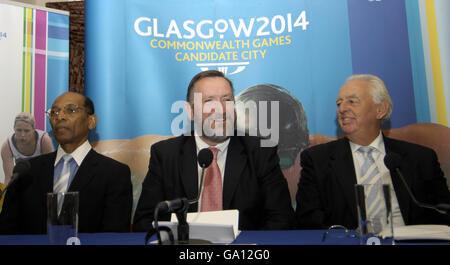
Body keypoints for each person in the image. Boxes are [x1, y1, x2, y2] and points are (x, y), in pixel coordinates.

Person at [133, 70, 295, 231]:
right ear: (190, 111)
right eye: (209, 101)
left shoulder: (260, 152)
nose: (221, 110)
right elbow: (145, 221)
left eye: (227, 100)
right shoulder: (166, 154)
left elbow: (281, 219)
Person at [295, 74, 450, 229]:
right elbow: (308, 220)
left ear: (380, 109)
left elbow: (443, 213)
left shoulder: (421, 158)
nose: (342, 109)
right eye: (339, 103)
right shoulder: (317, 160)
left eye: (352, 101)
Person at [0, 92, 133, 234]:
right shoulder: (28, 170)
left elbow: (114, 235)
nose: (60, 117)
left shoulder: (114, 174)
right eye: (54, 112)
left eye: (71, 110)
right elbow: (7, 231)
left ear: (91, 121)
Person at [1, 113, 54, 185]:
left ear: (33, 129)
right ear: (14, 128)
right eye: (19, 130)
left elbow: (50, 171)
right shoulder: (7, 146)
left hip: (41, 179)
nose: (22, 135)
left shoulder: (44, 140)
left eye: (26, 131)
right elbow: (9, 177)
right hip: (22, 182)